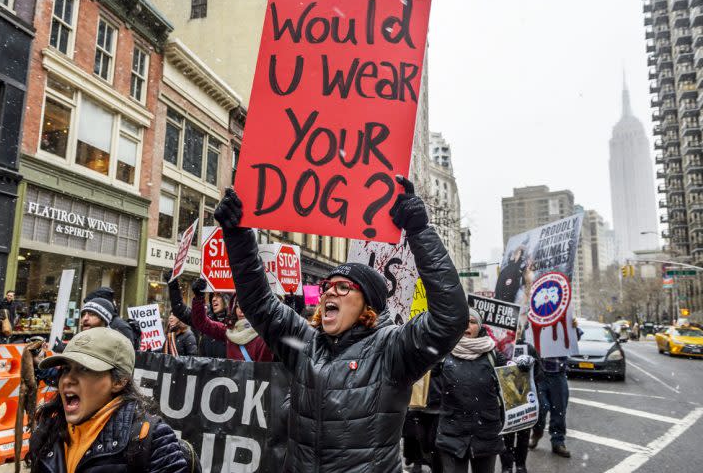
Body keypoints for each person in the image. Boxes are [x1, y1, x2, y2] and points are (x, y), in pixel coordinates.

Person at [212, 176, 468, 472]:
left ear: (367, 305)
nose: (330, 291)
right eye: (327, 286)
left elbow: (451, 317)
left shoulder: (392, 350)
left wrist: (419, 230)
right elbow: (259, 303)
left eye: (344, 287)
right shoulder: (306, 345)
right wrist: (238, 237)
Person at [28, 327, 193, 472]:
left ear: (119, 381)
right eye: (65, 369)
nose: (67, 380)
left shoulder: (152, 439)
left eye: (85, 368)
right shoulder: (48, 431)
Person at [434, 309, 509, 473]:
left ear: (480, 327)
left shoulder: (493, 354)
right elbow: (419, 373)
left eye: (472, 322)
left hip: (486, 433)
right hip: (451, 434)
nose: (467, 325)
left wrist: (526, 366)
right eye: (463, 321)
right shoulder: (443, 352)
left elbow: (513, 379)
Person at [528, 320, 582, 458]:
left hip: (558, 375)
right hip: (540, 375)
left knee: (559, 410)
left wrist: (573, 327)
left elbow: (575, 338)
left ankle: (558, 442)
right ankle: (537, 432)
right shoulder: (536, 319)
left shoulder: (563, 319)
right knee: (541, 407)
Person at [184, 283, 274, 362]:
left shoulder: (267, 335)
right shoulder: (228, 331)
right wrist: (199, 298)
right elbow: (202, 323)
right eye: (238, 306)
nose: (241, 311)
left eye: (246, 307)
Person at [499, 335, 544, 473]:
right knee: (507, 436)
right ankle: (506, 467)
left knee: (524, 435)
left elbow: (539, 373)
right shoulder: (498, 347)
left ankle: (520, 465)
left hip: (524, 400)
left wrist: (529, 368)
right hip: (505, 400)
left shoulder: (528, 348)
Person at [167, 275, 227, 358]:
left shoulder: (235, 321)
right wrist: (173, 287)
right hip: (205, 369)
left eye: (218, 295)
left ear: (227, 298)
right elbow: (181, 311)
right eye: (213, 295)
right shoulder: (203, 317)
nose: (214, 299)